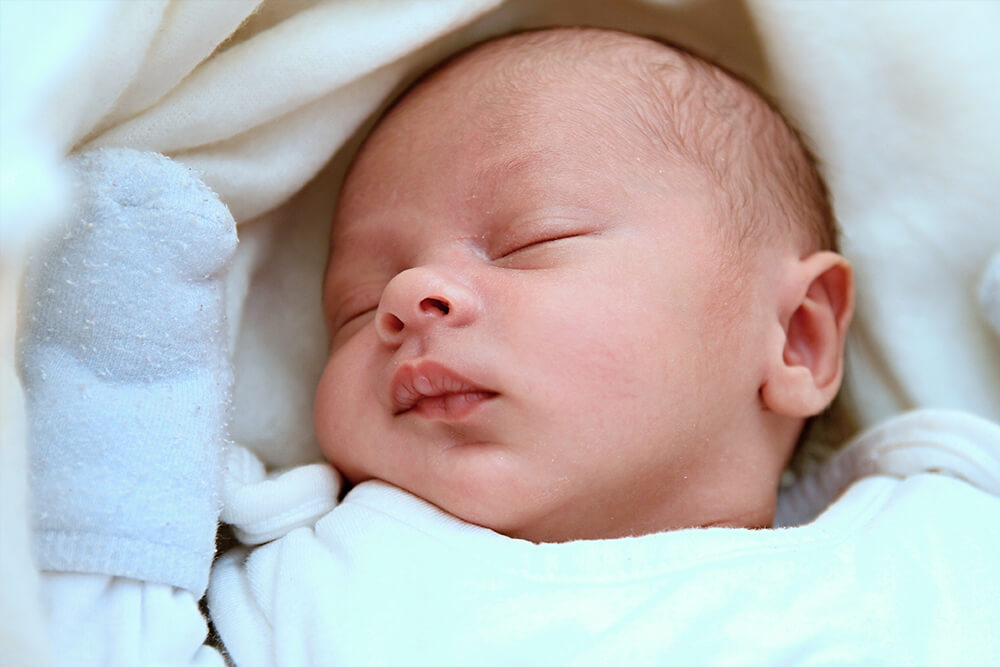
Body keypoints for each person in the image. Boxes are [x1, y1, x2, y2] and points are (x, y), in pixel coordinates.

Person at [19, 27, 1000, 666]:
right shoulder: (325, 575)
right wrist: (118, 381)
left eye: (534, 242)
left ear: (793, 335)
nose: (409, 296)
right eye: (355, 309)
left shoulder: (933, 543)